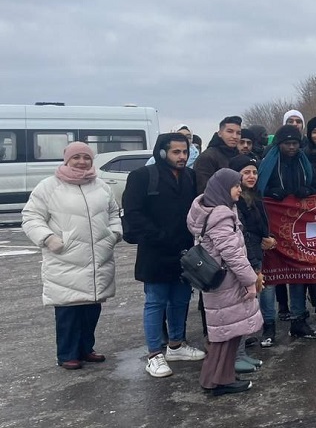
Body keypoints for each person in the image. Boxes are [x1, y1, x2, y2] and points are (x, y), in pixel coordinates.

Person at [22, 142, 122, 370]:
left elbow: (114, 213)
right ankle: (67, 353)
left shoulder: (101, 186)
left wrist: (114, 234)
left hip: (97, 258)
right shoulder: (49, 187)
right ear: (67, 159)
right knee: (68, 309)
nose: (82, 162)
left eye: (86, 157)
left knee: (91, 307)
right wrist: (48, 238)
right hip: (65, 258)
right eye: (76, 157)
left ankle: (86, 348)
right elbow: (31, 217)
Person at [123, 132, 206, 378]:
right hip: (155, 251)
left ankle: (176, 345)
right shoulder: (142, 176)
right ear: (162, 152)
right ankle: (154, 354)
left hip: (184, 251)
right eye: (176, 152)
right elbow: (133, 213)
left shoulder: (190, 176)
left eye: (185, 152)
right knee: (155, 302)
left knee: (180, 299)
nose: (182, 157)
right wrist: (158, 236)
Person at [187, 169, 262, 396]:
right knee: (226, 334)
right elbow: (233, 254)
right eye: (236, 185)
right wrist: (250, 280)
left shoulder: (207, 209)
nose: (240, 189)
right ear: (223, 188)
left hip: (217, 282)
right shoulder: (221, 215)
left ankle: (218, 377)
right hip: (228, 282)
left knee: (224, 332)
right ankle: (219, 381)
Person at [257, 124, 316, 339]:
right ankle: (268, 324)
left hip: (296, 227)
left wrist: (307, 190)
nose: (292, 147)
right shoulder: (269, 163)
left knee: (297, 273)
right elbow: (258, 188)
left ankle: (298, 320)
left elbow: (314, 185)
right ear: (279, 144)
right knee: (270, 275)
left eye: (295, 143)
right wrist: (272, 192)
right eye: (287, 144)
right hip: (272, 226)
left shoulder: (303, 162)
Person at [230, 155, 277, 361]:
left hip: (256, 253)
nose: (252, 176)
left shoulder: (254, 196)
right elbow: (242, 232)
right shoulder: (235, 201)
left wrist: (268, 238)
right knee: (243, 304)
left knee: (250, 304)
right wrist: (253, 263)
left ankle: (242, 350)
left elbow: (261, 226)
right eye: (246, 172)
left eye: (255, 172)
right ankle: (237, 355)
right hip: (246, 258)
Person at [194, 116, 243, 193]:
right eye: (230, 131)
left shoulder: (240, 156)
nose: (234, 136)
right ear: (220, 133)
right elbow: (204, 190)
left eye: (238, 133)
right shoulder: (207, 157)